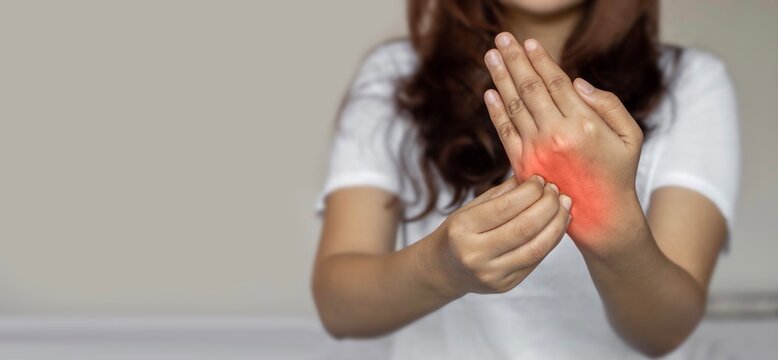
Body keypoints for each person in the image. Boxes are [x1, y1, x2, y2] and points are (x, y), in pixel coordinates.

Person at [311, 0, 740, 358]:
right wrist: (440, 267)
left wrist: (612, 221)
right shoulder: (392, 76)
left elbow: (664, 331)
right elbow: (338, 307)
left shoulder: (693, 83)